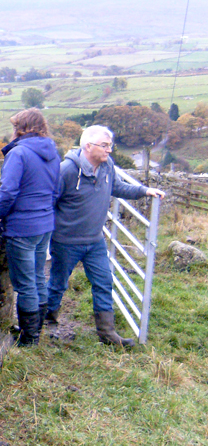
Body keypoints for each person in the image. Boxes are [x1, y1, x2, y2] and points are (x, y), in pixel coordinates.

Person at [45, 125, 165, 347]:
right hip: (66, 241)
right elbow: (49, 202)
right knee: (58, 283)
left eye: (111, 145)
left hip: (95, 240)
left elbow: (117, 187)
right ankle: (47, 321)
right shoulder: (66, 171)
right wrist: (47, 236)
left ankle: (107, 334)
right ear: (88, 146)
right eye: (105, 145)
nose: (109, 150)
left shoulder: (107, 165)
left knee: (104, 282)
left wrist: (143, 191)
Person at [0, 109, 60, 346]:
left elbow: (8, 191)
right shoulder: (52, 153)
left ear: (20, 128)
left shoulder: (19, 153)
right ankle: (37, 330)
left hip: (22, 227)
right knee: (37, 278)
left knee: (25, 284)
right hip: (45, 224)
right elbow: (56, 191)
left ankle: (29, 338)